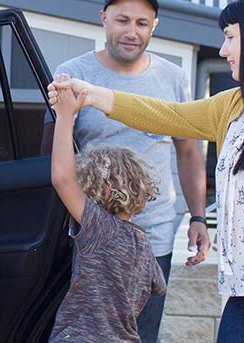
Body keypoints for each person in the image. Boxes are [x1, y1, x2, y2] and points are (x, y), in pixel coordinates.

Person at [48, 0, 244, 341]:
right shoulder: (235, 105)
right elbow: (167, 115)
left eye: (230, 37)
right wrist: (91, 94)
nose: (223, 49)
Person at [42, 1, 210, 339]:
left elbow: (189, 152)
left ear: (155, 25)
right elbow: (50, 156)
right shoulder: (75, 73)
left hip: (155, 238)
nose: (132, 32)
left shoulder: (173, 79)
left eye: (142, 23)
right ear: (103, 19)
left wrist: (198, 217)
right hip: (89, 233)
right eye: (122, 20)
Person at [46, 99, 168, 343]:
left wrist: (65, 115)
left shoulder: (99, 227)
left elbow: (62, 179)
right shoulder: (142, 241)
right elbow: (159, 285)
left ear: (104, 189)